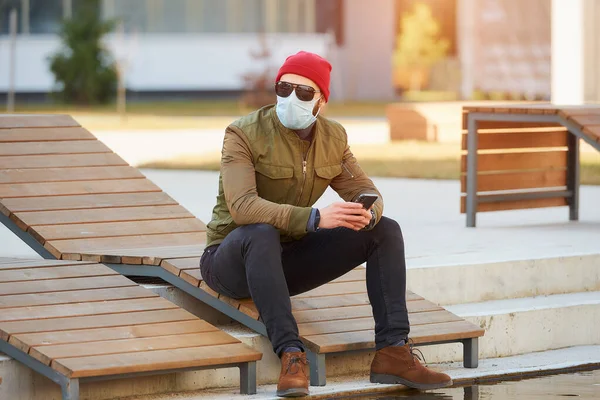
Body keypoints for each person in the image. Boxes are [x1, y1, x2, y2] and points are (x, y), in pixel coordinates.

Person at [200, 51, 452, 397]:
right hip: (230, 260)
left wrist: (366, 212)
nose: (291, 98)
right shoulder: (243, 133)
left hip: (285, 260)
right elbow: (243, 208)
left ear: (321, 101)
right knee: (260, 232)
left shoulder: (333, 138)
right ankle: (291, 354)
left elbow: (367, 190)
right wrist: (316, 218)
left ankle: (393, 351)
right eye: (284, 88)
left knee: (385, 230)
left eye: (304, 93)